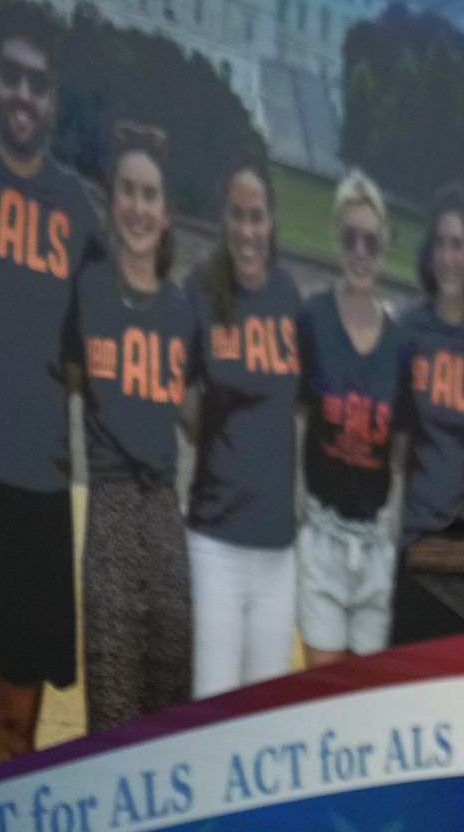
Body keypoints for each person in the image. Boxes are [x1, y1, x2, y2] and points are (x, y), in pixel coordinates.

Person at [0, 5, 100, 772]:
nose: (21, 94)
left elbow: (105, 345)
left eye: (37, 83)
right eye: (10, 75)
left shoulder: (78, 210)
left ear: (54, 98)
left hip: (37, 496)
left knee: (16, 732)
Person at [65, 128, 195, 730]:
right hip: (113, 510)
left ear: (167, 213)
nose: (139, 207)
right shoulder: (86, 291)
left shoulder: (181, 310)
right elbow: (63, 377)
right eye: (128, 191)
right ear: (111, 199)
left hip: (166, 518)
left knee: (169, 708)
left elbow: (196, 415)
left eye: (151, 195)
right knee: (115, 715)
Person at [184, 159, 303, 696]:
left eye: (257, 216)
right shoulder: (200, 290)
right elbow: (185, 410)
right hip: (216, 542)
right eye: (237, 215)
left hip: (278, 547)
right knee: (212, 712)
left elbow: (302, 404)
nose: (247, 230)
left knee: (263, 727)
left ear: (272, 221)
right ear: (223, 218)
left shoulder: (289, 297)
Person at [295, 171, 406, 666]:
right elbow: (298, 412)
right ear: (337, 242)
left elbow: (400, 449)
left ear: (383, 247)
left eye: (371, 241)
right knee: (322, 703)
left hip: (375, 544)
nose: (361, 251)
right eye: (350, 239)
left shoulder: (400, 344)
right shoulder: (313, 320)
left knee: (363, 711)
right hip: (322, 539)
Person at [391, 185, 464, 643]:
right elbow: (397, 445)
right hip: (416, 545)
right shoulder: (409, 331)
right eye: (440, 243)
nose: (448, 256)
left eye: (458, 245)